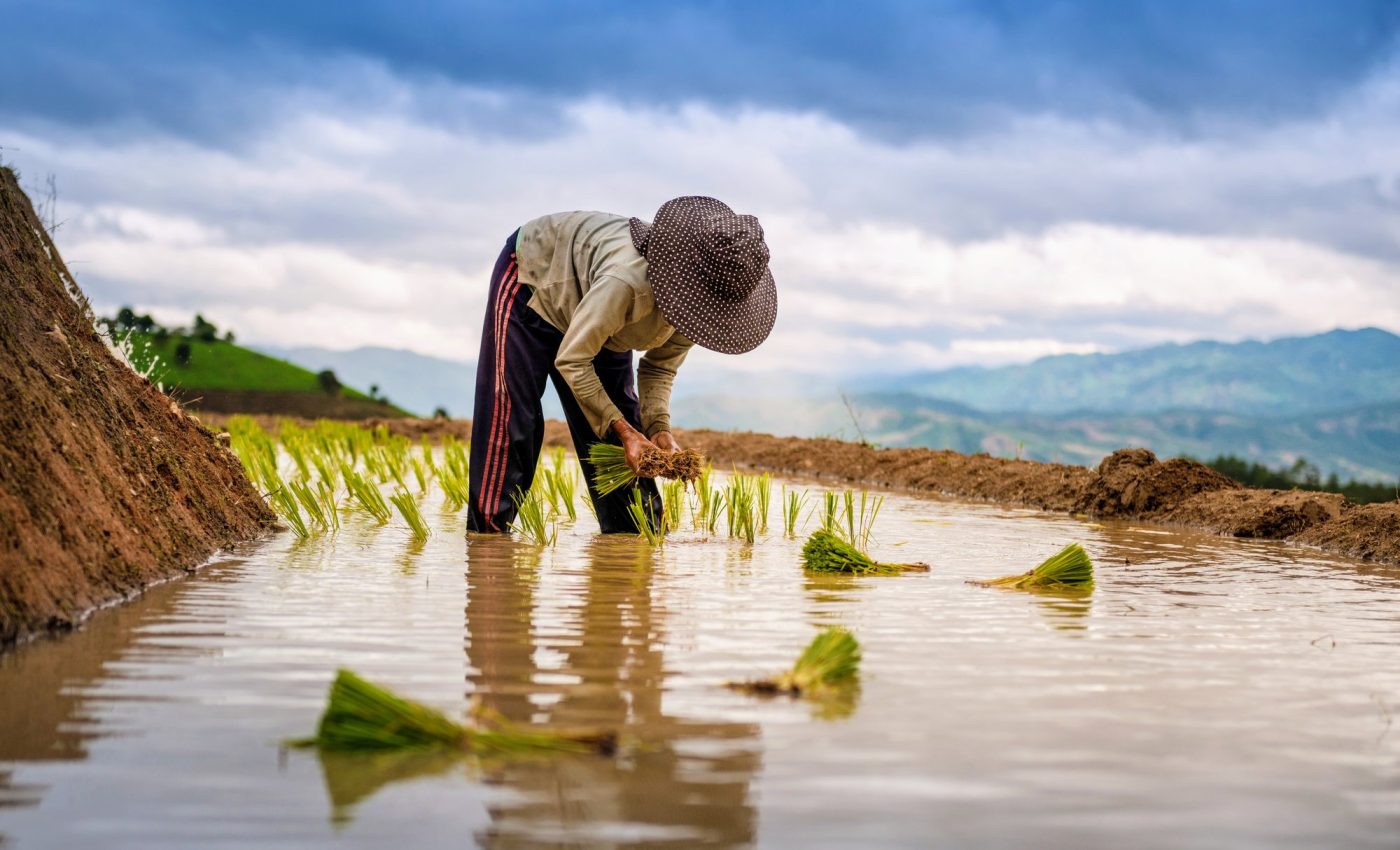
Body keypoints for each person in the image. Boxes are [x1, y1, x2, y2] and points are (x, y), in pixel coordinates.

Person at [467, 196, 777, 534]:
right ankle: (488, 545)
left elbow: (659, 368)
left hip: (604, 321)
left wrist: (658, 428)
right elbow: (573, 360)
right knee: (513, 421)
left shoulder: (700, 309)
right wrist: (626, 431)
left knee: (623, 451)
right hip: (535, 280)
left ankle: (635, 547)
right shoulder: (627, 282)